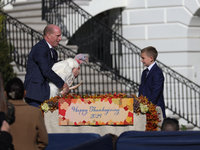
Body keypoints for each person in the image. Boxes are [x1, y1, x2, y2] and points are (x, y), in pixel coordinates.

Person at [24, 24, 80, 107]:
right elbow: (46, 70)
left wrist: (71, 70)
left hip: (45, 94)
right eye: (58, 36)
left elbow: (55, 67)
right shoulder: (40, 48)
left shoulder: (53, 52)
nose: (60, 38)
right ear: (48, 36)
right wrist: (63, 84)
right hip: (36, 94)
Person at [5, 77, 48, 150]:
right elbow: (44, 140)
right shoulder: (35, 112)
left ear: (5, 94)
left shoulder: (3, 112)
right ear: (25, 93)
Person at [138, 46, 166, 118]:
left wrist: (148, 106)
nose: (141, 60)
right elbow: (141, 89)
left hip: (154, 110)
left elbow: (155, 92)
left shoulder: (157, 72)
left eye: (143, 58)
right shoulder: (144, 72)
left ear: (151, 58)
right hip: (144, 109)